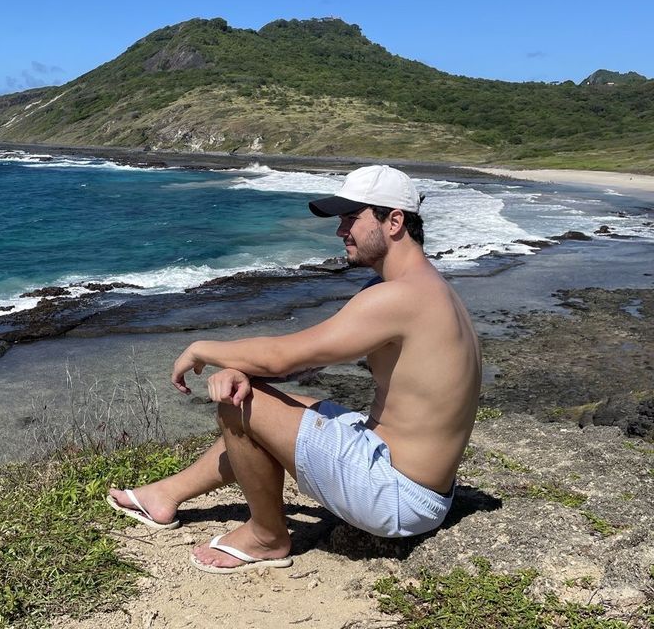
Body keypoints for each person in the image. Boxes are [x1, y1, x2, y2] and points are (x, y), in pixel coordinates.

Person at [107, 164, 481, 574]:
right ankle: (167, 494)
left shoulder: (401, 297)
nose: (341, 231)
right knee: (272, 402)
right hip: (416, 484)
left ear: (394, 221)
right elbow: (308, 356)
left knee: (239, 404)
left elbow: (284, 358)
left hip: (396, 495)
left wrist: (203, 349)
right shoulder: (426, 289)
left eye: (351, 218)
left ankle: (267, 537)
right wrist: (246, 370)